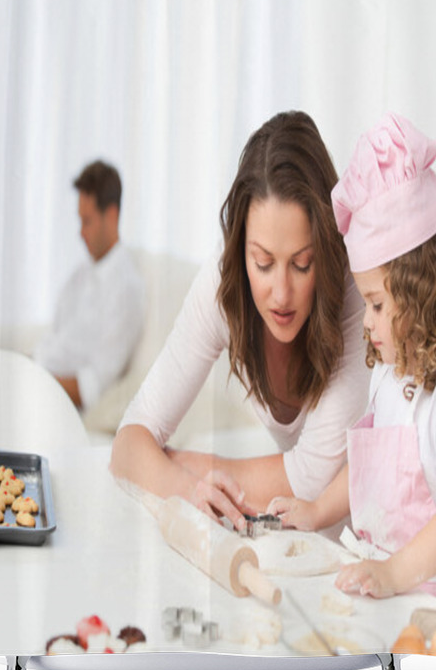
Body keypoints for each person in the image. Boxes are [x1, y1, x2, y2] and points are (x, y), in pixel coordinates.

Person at [267, 113, 436, 611]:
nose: (366, 321)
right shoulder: (390, 377)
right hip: (376, 586)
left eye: (375, 304)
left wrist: (393, 573)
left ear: (420, 291)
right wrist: (314, 512)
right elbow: (363, 472)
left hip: (424, 599)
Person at [110, 111, 369, 530]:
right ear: (240, 248)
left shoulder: (355, 290)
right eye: (263, 263)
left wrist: (184, 464)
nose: (281, 294)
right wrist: (189, 488)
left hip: (383, 547)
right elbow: (128, 444)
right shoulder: (224, 281)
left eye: (303, 264)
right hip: (302, 543)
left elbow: (311, 479)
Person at [34, 160, 145, 411]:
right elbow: (53, 341)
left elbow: (93, 385)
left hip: (51, 399)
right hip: (36, 378)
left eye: (87, 221)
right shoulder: (80, 275)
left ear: (112, 216)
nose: (81, 233)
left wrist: (36, 381)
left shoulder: (127, 289)